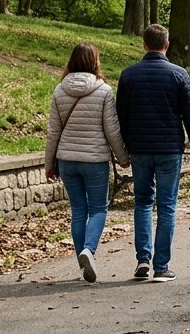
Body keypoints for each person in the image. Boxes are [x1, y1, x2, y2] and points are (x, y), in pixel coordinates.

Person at [116, 23, 190, 283]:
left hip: (140, 149)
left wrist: (123, 147)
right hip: (168, 149)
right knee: (167, 206)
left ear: (144, 44)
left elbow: (121, 115)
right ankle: (161, 266)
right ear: (166, 45)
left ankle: (143, 258)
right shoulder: (179, 74)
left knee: (142, 202)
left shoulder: (128, 75)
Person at [45, 43, 129, 284]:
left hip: (67, 161)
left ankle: (83, 262)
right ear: (95, 62)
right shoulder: (103, 91)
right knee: (99, 209)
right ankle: (89, 251)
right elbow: (112, 131)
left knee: (78, 211)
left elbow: (53, 132)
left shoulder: (60, 90)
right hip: (94, 161)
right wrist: (123, 158)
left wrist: (49, 164)